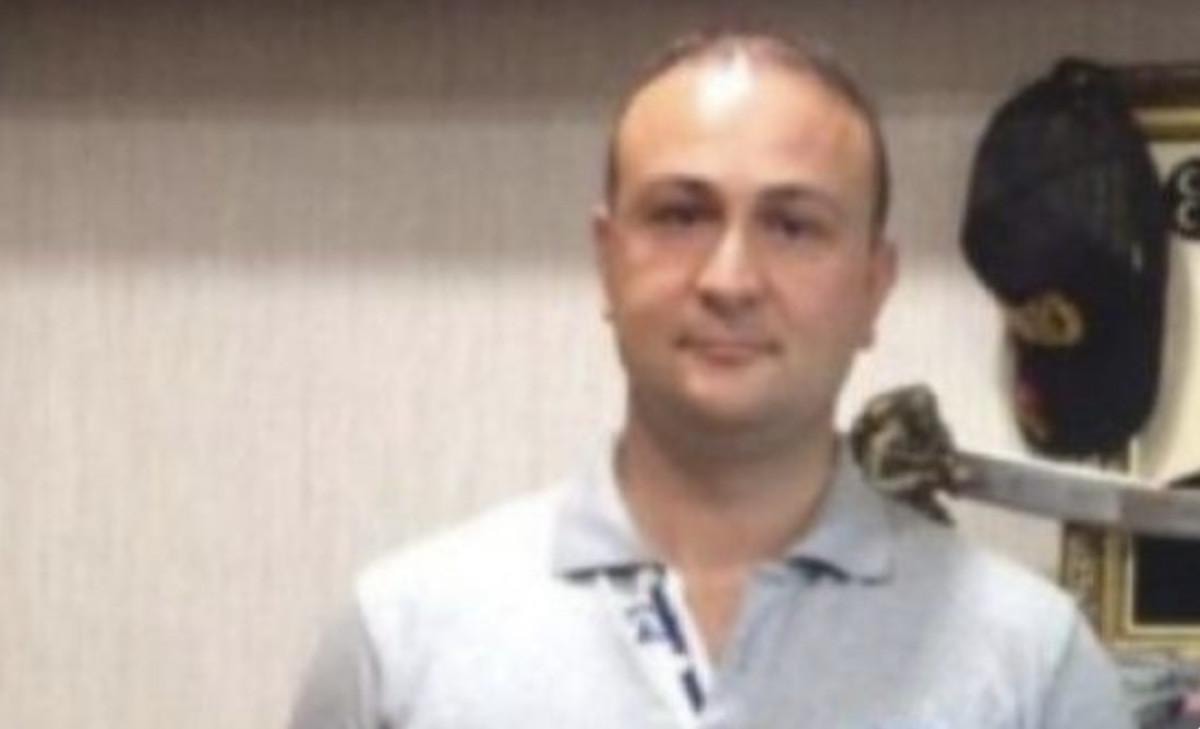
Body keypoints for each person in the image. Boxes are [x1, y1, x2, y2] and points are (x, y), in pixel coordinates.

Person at [288, 31, 1134, 729]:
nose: (730, 280)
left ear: (873, 288)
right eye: (681, 215)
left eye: (793, 226)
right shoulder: (399, 646)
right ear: (608, 260)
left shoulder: (1033, 668)